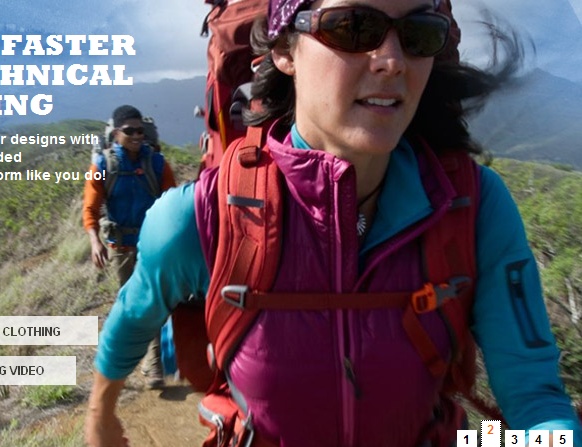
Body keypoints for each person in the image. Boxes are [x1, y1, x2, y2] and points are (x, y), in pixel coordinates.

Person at [85, 1, 582, 446]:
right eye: (353, 27)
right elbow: (134, 315)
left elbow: (534, 399)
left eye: (418, 34)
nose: (392, 60)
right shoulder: (205, 216)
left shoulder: (471, 207)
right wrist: (101, 416)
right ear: (285, 49)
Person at [83, 104, 176, 390]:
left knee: (154, 301)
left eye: (140, 130)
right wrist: (95, 241)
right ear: (115, 134)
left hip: (153, 244)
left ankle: (154, 364)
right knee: (132, 304)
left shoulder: (156, 164)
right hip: (121, 247)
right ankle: (126, 360)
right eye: (129, 131)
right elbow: (90, 208)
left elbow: (171, 203)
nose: (136, 136)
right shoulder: (104, 167)